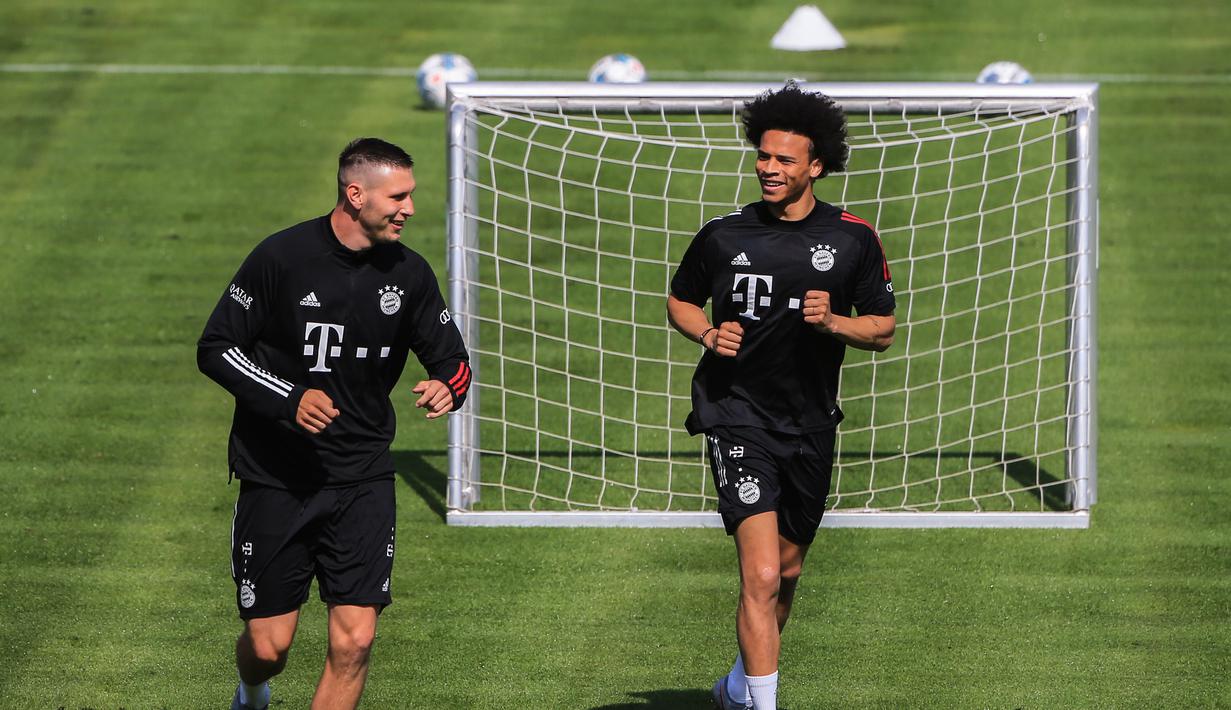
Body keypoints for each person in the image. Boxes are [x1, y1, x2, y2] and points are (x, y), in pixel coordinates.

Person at [197, 137, 471, 710]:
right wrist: (288, 397)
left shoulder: (410, 274)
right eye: (398, 196)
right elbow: (217, 346)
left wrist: (447, 386)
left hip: (363, 479)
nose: (410, 209)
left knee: (355, 641)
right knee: (269, 646)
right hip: (277, 478)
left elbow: (455, 360)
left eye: (411, 195)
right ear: (355, 194)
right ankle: (252, 691)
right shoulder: (282, 258)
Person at [666, 83, 896, 710]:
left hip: (811, 425)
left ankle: (741, 686)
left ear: (815, 166)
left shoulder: (853, 238)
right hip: (736, 416)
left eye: (785, 160)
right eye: (764, 157)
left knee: (788, 572)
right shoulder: (723, 234)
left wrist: (834, 325)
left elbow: (883, 327)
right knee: (761, 574)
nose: (770, 169)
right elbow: (679, 298)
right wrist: (709, 332)